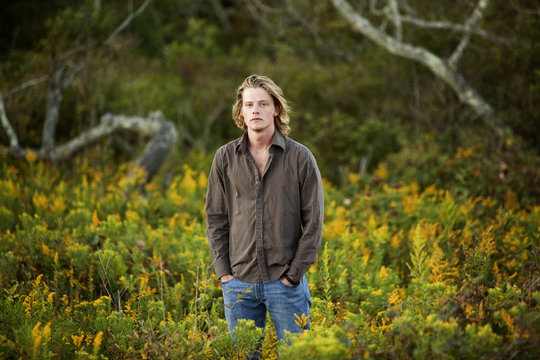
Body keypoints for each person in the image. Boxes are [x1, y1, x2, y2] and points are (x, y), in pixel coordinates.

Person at [205, 74, 324, 343]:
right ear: (241, 112)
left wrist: (293, 276)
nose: (255, 110)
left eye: (263, 104)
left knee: (296, 354)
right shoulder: (224, 158)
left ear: (276, 109)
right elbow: (215, 218)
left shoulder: (300, 158)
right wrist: (224, 273)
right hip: (238, 283)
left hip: (285, 282)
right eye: (249, 105)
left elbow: (314, 222)